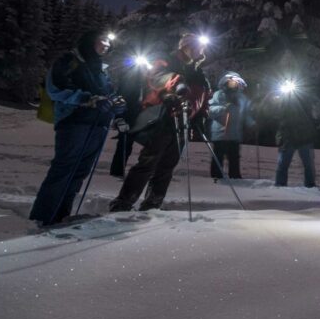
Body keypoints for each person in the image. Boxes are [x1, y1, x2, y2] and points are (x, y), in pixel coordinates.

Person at [29, 31, 124, 226]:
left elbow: (108, 94)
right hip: (74, 122)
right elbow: (55, 89)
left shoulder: (101, 69)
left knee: (80, 171)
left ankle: (62, 214)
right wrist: (87, 99)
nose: (107, 45)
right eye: (102, 40)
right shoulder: (69, 61)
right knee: (65, 168)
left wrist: (116, 104)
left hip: (98, 124)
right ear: (90, 41)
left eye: (109, 42)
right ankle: (44, 217)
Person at [108, 33, 211, 212]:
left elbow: (204, 97)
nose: (198, 50)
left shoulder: (199, 72)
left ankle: (152, 203)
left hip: (183, 124)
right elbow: (156, 77)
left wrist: (201, 116)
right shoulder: (169, 61)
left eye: (200, 48)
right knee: (148, 162)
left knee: (167, 166)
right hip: (162, 118)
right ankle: (123, 202)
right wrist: (171, 90)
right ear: (184, 47)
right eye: (194, 46)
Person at [207, 71, 255, 181]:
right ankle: (216, 178)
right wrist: (223, 109)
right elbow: (210, 110)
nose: (233, 84)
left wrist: (252, 123)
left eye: (235, 82)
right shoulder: (218, 94)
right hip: (220, 133)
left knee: (234, 157)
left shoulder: (242, 98)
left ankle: (235, 178)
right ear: (226, 82)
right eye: (231, 82)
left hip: (235, 134)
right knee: (218, 157)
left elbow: (246, 113)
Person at [271, 83, 317, 188]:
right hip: (288, 137)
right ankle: (280, 185)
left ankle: (310, 186)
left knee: (308, 164)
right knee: (283, 164)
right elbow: (277, 115)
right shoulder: (282, 101)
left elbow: (311, 115)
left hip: (304, 136)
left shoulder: (305, 100)